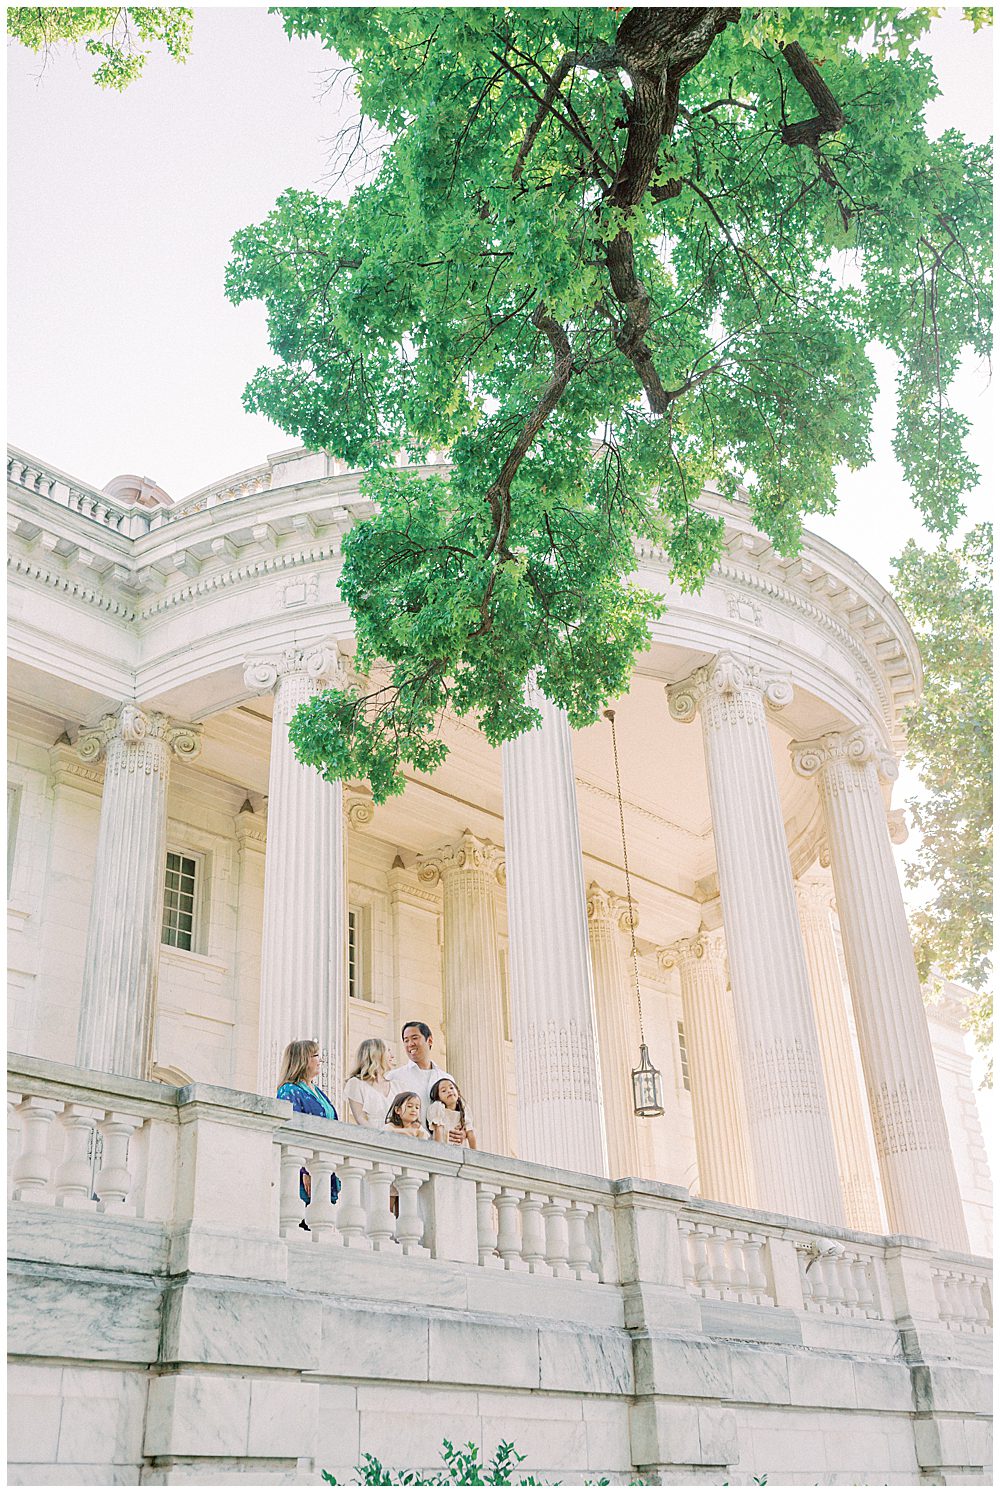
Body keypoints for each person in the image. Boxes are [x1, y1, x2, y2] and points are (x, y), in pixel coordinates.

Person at [275, 1038, 340, 1222]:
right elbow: (293, 1133)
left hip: (326, 1164)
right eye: (315, 1055)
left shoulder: (318, 1091)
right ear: (303, 1060)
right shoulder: (289, 1091)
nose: (320, 1060)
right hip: (304, 1168)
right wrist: (305, 1170)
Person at [386, 1021, 454, 1128]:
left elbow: (457, 1112)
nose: (410, 1044)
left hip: (443, 1142)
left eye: (415, 1038)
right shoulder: (394, 1077)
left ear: (429, 1040)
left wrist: (462, 1132)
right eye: (406, 1040)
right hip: (409, 1140)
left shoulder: (446, 1079)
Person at [343, 1037, 394, 1127]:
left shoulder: (396, 1085)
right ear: (377, 1054)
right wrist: (383, 1137)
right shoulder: (356, 1084)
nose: (392, 1056)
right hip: (372, 1137)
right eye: (388, 1051)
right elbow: (360, 1118)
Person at [427, 1076, 477, 1149]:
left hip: (459, 1150)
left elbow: (470, 1132)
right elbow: (438, 1129)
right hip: (443, 1148)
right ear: (438, 1097)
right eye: (444, 1090)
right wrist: (438, 1150)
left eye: (451, 1088)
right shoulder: (438, 1108)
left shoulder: (463, 1109)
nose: (449, 1091)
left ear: (458, 1093)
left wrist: (475, 1154)